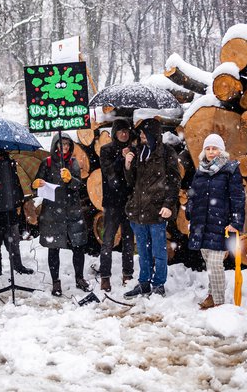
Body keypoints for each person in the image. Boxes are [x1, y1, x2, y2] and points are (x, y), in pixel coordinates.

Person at [123, 119, 180, 299]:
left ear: (154, 134)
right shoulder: (139, 152)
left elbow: (174, 182)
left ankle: (158, 284)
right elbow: (131, 182)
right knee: (142, 250)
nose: (141, 137)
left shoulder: (167, 153)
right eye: (140, 135)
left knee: (159, 251)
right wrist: (127, 164)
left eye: (144, 134)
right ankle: (144, 283)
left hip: (157, 211)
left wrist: (168, 205)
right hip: (138, 211)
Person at [185, 133, 244, 309]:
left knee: (215, 263)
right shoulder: (200, 171)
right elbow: (192, 195)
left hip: (221, 224)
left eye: (214, 148)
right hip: (201, 224)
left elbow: (238, 198)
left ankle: (218, 301)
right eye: (208, 148)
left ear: (221, 150)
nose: (211, 152)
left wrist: (236, 221)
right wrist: (189, 211)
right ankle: (212, 295)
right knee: (209, 262)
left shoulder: (230, 170)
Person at [33, 133, 89, 297]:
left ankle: (80, 278)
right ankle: (56, 281)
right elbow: (37, 184)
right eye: (61, 144)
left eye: (67, 144)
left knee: (78, 247)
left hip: (72, 211)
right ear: (55, 145)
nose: (64, 147)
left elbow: (80, 186)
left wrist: (70, 180)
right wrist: (35, 184)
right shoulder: (47, 163)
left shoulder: (73, 163)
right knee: (53, 249)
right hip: (52, 213)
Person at [98, 119, 135, 292]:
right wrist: (122, 158)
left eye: (126, 131)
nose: (124, 134)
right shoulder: (106, 150)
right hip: (112, 202)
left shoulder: (133, 149)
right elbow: (109, 172)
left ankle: (127, 274)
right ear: (114, 133)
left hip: (129, 201)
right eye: (121, 131)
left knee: (128, 241)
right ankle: (105, 277)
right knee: (108, 240)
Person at [0, 149, 34, 278]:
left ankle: (18, 266)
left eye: (1, 156)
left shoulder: (12, 172)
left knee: (13, 244)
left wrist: (18, 202)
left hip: (10, 214)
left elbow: (18, 190)